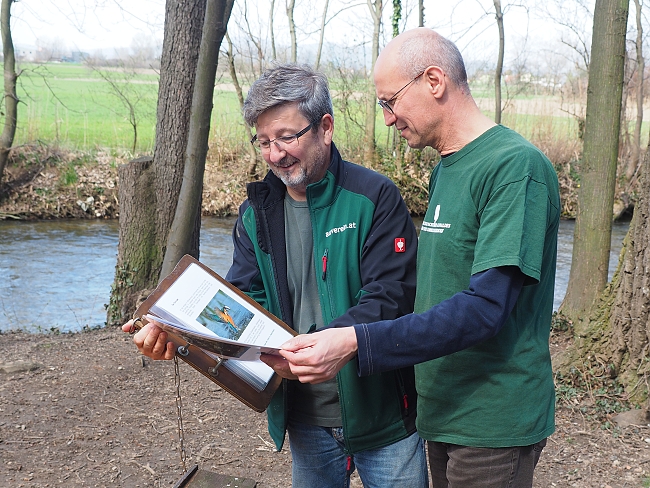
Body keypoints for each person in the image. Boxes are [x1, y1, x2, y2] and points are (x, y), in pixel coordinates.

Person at [277, 28, 560, 488]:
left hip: (491, 421)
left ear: (434, 81)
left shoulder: (514, 168)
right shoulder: (448, 168)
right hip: (443, 410)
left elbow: (485, 308)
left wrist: (356, 341)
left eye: (390, 102)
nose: (388, 118)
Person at [123, 63, 428, 488]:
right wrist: (183, 338)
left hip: (384, 415)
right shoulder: (255, 213)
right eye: (263, 141)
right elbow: (245, 303)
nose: (274, 154)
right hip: (304, 418)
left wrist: (320, 347)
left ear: (325, 127)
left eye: (286, 137)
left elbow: (391, 296)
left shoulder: (375, 197)